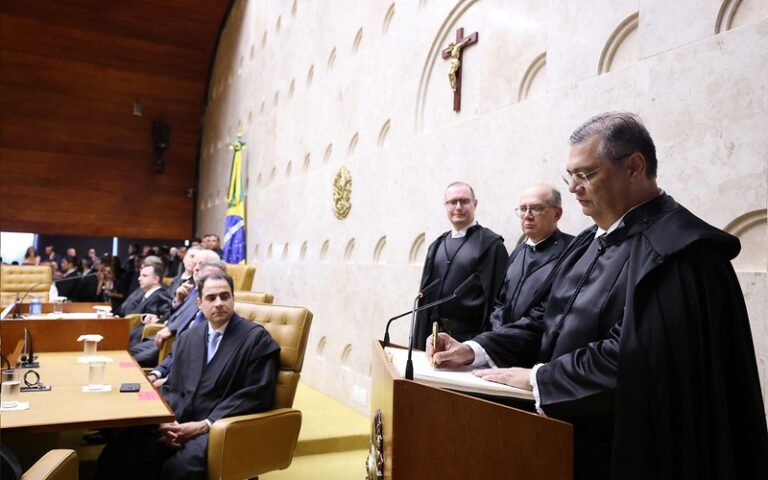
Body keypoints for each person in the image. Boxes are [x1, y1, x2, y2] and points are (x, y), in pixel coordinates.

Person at [427, 112, 768, 479]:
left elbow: (635, 358)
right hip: (565, 436)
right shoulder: (590, 240)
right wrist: (477, 349)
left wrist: (541, 380)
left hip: (629, 449)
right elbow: (546, 319)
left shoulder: (679, 253)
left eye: (585, 175)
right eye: (570, 177)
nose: (573, 188)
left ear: (634, 167)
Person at [96, 272, 280, 480]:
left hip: (218, 426)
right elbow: (173, 386)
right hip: (177, 421)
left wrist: (205, 424)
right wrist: (163, 422)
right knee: (122, 452)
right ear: (199, 304)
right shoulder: (189, 337)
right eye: (211, 298)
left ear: (233, 299)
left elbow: (256, 394)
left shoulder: (256, 338)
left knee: (179, 469)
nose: (218, 303)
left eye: (224, 296)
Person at [414, 181, 508, 349]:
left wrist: (488, 346)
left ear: (475, 203)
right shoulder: (436, 245)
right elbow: (425, 299)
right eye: (452, 202)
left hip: (471, 340)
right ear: (445, 205)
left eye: (464, 201)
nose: (458, 207)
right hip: (433, 337)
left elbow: (498, 303)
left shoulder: (490, 245)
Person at [490, 185, 573, 330]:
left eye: (536, 208)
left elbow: (553, 310)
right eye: (523, 209)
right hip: (502, 343)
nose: (527, 215)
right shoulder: (518, 251)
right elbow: (500, 302)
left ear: (557, 214)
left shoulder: (572, 251)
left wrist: (505, 336)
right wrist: (497, 333)